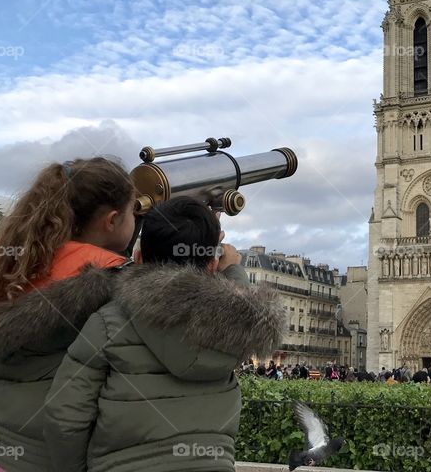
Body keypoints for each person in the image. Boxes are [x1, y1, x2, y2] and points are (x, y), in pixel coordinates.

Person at [43, 196, 285, 471]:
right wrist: (231, 268)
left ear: (138, 258)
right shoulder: (233, 330)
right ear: (211, 265)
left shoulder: (108, 323)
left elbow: (64, 418)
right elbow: (243, 310)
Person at [0, 158, 136, 472]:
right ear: (112, 220)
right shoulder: (113, 282)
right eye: (132, 212)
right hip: (55, 457)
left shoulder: (11, 266)